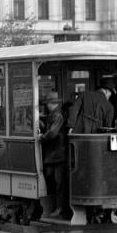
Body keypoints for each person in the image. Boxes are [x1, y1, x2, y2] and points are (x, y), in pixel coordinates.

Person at [39, 91, 69, 219]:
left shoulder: (57, 115)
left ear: (51, 104)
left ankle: (59, 208)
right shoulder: (54, 114)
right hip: (55, 154)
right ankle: (57, 207)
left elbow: (52, 133)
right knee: (54, 181)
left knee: (58, 182)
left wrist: (42, 137)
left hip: (57, 154)